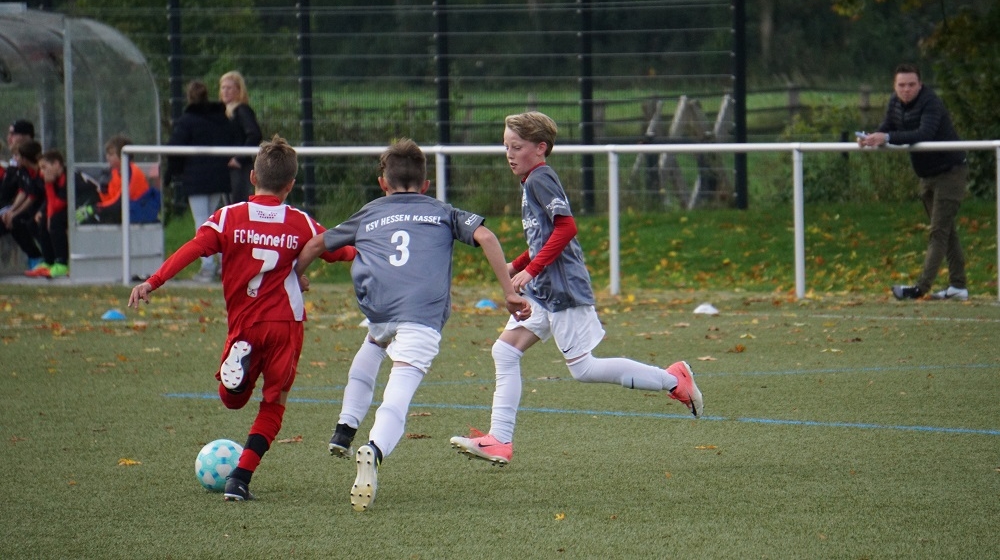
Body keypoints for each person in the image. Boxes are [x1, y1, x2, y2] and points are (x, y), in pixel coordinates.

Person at [449, 111, 704, 467]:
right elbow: (543, 238)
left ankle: (672, 380)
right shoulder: (531, 180)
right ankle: (499, 440)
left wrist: (531, 269)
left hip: (563, 289)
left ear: (540, 148)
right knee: (504, 352)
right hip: (543, 290)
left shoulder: (541, 178)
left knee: (583, 369)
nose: (509, 154)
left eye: (516, 147)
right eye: (506, 146)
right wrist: (518, 266)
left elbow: (566, 228)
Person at [295, 137, 530, 512]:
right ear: (426, 185)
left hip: (379, 308)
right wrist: (509, 292)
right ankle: (374, 449)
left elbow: (315, 244)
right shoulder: (442, 211)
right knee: (398, 392)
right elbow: (486, 236)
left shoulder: (370, 212)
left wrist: (297, 277)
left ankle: (344, 428)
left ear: (382, 184)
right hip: (421, 314)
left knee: (373, 344)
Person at [128, 135, 355, 501]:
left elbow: (192, 249)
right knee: (273, 406)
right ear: (290, 185)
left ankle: (236, 373)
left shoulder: (227, 217)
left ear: (252, 177)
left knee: (232, 400)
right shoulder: (300, 222)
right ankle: (239, 480)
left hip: (246, 324)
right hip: (285, 324)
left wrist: (152, 281)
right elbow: (340, 250)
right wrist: (371, 254)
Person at [859, 64, 970, 301]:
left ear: (920, 84)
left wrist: (887, 137)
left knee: (938, 232)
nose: (906, 89)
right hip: (926, 175)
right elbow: (886, 128)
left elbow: (923, 134)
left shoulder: (931, 102)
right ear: (894, 86)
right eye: (901, 85)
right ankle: (958, 286)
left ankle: (920, 288)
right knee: (946, 231)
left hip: (951, 171)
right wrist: (871, 138)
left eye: (911, 84)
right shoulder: (894, 103)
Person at [163, 80, 239, 282]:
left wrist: (172, 173)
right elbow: (231, 138)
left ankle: (208, 266)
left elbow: (174, 148)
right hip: (218, 176)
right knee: (214, 222)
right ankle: (222, 264)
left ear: (189, 97)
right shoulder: (220, 118)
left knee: (202, 221)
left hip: (196, 178)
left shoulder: (187, 120)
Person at [77, 135, 154, 225]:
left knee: (93, 213)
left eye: (111, 154)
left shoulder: (131, 172)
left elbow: (119, 203)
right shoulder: (115, 171)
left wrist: (95, 208)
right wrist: (101, 193)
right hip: (123, 215)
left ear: (122, 156)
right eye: (107, 154)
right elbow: (110, 199)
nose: (107, 157)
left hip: (137, 218)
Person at [24, 150, 76, 278]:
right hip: (72, 210)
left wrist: (48, 184)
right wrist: (43, 212)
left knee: (56, 220)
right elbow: (50, 201)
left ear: (57, 164)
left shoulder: (69, 178)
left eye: (44, 167)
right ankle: (49, 261)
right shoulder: (56, 178)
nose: (41, 172)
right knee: (39, 220)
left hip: (88, 209)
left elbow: (58, 205)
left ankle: (62, 263)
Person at [0, 120, 45, 269]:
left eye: (13, 134)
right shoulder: (15, 164)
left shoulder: (38, 165)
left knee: (18, 220)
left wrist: (13, 211)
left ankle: (39, 258)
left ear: (26, 136)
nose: (9, 138)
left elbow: (30, 194)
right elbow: (20, 191)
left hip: (37, 209)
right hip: (13, 207)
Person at [220, 71, 262, 204]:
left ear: (239, 90)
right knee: (228, 205)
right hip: (225, 166)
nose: (225, 91)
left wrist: (239, 158)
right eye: (223, 87)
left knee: (238, 204)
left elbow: (255, 134)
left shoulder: (242, 110)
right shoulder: (223, 112)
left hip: (239, 168)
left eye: (229, 88)